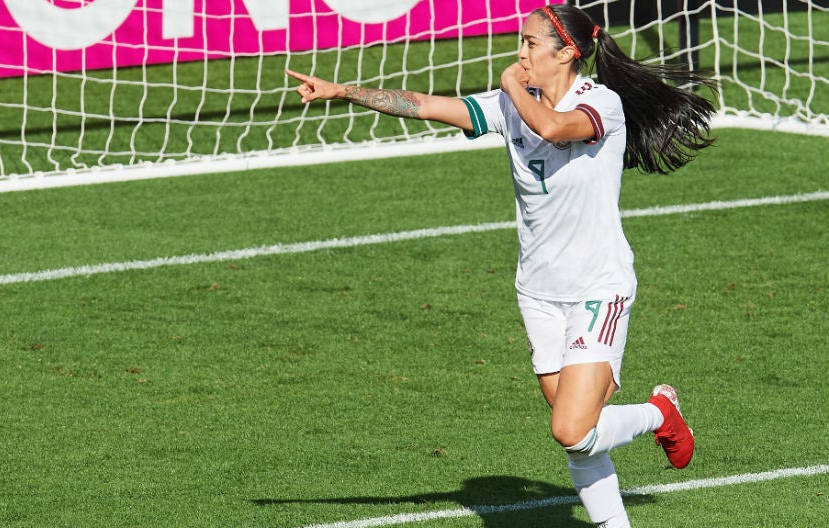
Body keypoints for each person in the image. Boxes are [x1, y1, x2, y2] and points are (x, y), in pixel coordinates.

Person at [287, 4, 715, 527]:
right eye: (520, 41)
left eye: (531, 44)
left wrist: (513, 89)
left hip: (597, 287)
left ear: (567, 53)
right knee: (579, 438)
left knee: (571, 429)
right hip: (537, 291)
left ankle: (659, 412)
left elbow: (555, 128)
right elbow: (424, 105)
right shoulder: (512, 102)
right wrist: (343, 91)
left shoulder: (600, 103)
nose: (519, 54)